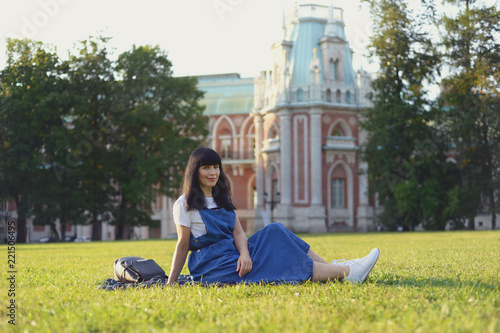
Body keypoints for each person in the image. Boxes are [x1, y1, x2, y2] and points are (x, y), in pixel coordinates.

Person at [167, 147, 380, 285]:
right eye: (206, 168)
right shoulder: (184, 204)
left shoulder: (222, 199)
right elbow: (183, 246)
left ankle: (335, 269)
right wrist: (171, 282)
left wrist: (245, 255)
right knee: (278, 261)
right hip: (213, 265)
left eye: (215, 167)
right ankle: (347, 271)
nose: (213, 172)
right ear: (195, 172)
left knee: (275, 230)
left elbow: (239, 234)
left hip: (235, 255)